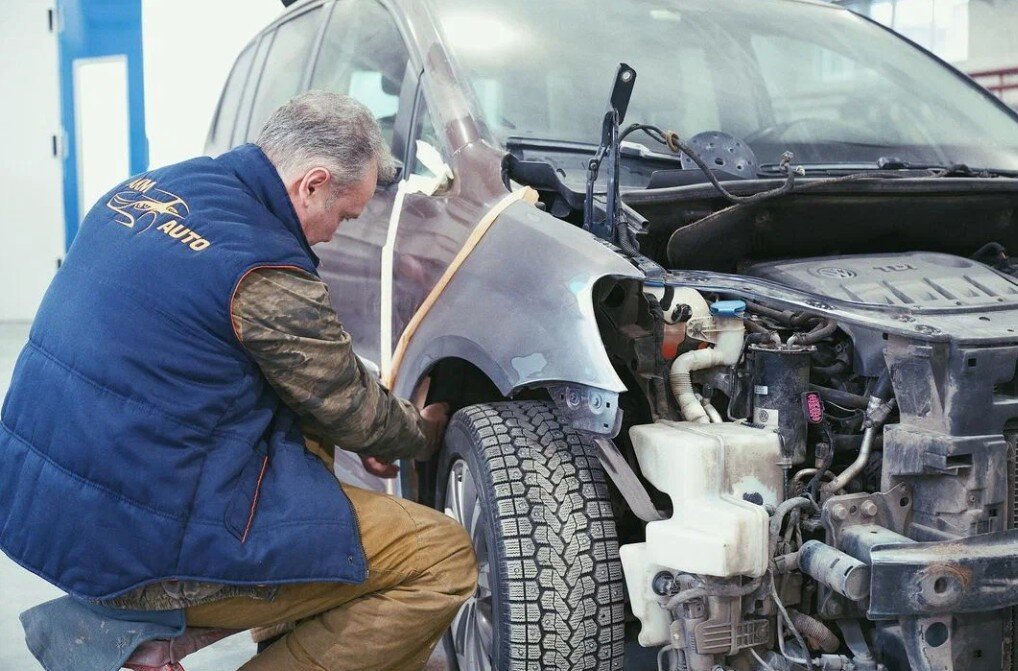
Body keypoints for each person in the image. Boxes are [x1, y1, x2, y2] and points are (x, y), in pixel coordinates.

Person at [0, 91, 477, 671]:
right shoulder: (264, 270)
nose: (334, 234)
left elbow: (324, 395)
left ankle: (172, 638)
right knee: (440, 558)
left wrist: (357, 425)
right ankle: (153, 612)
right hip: (131, 546)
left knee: (308, 430)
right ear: (313, 184)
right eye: (346, 216)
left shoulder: (145, 190)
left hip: (39, 507)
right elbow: (349, 405)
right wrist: (418, 433)